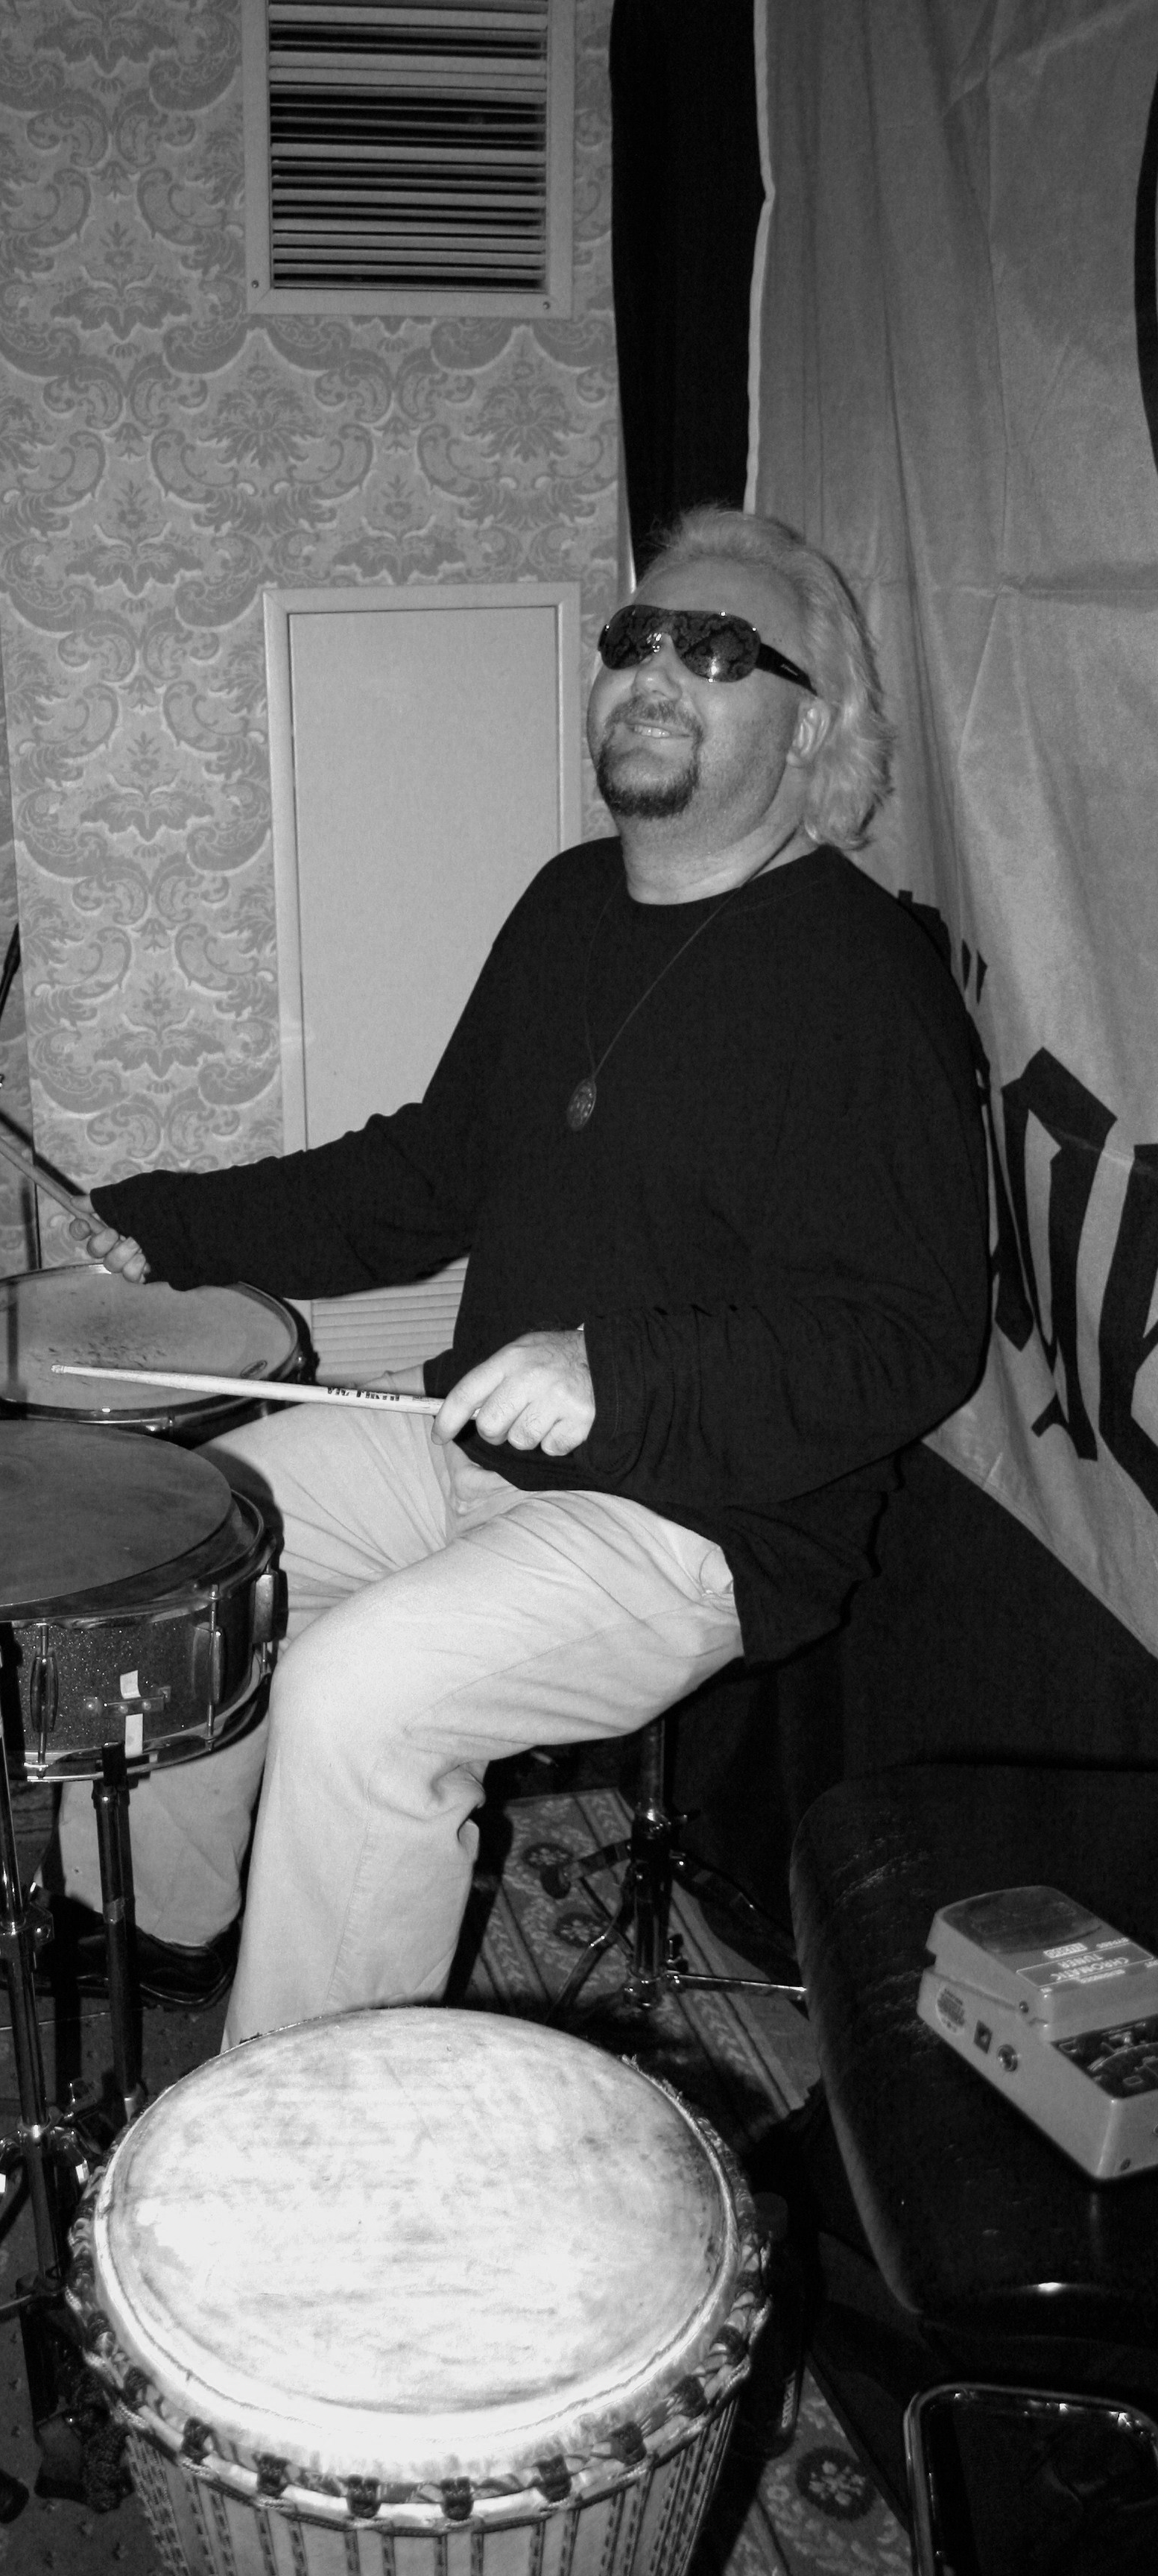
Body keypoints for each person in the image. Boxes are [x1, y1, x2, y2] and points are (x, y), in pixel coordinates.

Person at [57, 505, 989, 2046]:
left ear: (811, 725)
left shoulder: (866, 978)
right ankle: (154, 1924)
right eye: (636, 638)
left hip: (698, 1520)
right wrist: (179, 1221)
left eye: (720, 650)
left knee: (357, 1698)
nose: (657, 670)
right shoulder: (568, 903)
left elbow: (909, 1339)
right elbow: (431, 1175)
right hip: (475, 1442)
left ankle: (313, 2132)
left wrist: (615, 1368)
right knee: (186, 1544)